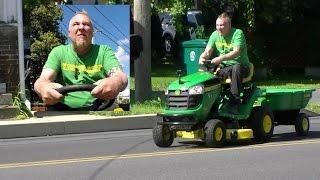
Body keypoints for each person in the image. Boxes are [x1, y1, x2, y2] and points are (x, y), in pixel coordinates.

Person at [34, 11, 128, 110]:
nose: (81, 28)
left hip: (100, 107)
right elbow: (42, 80)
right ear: (69, 33)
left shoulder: (104, 51)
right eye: (76, 24)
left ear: (92, 33)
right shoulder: (58, 52)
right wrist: (42, 87)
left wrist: (115, 82)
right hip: (62, 108)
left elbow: (121, 76)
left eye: (86, 24)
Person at [199, 12, 250, 112]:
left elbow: (236, 52)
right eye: (217, 25)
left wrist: (221, 58)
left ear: (229, 25)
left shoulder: (237, 33)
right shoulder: (214, 35)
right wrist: (202, 57)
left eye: (222, 25)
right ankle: (204, 102)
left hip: (241, 67)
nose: (219, 28)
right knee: (206, 69)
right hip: (225, 68)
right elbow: (208, 51)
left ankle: (234, 103)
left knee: (236, 68)